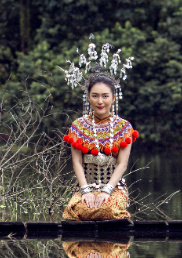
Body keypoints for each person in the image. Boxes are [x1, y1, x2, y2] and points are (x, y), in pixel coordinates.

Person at [60, 41, 140, 221]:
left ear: (113, 98)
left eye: (105, 96)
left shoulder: (123, 127)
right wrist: (86, 192)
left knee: (108, 211)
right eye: (95, 96)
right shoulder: (78, 126)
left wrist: (107, 191)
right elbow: (77, 163)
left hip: (114, 188)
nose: (100, 101)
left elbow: (122, 164)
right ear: (88, 97)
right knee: (74, 212)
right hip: (85, 188)